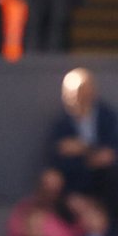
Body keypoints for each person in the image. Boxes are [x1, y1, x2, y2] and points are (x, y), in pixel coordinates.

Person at [49, 68, 118, 209]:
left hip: (105, 177)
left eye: (82, 91)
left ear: (92, 91)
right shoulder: (61, 124)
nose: (77, 97)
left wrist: (84, 148)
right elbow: (59, 153)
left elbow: (109, 151)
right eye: (72, 94)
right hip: (75, 178)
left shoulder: (107, 117)